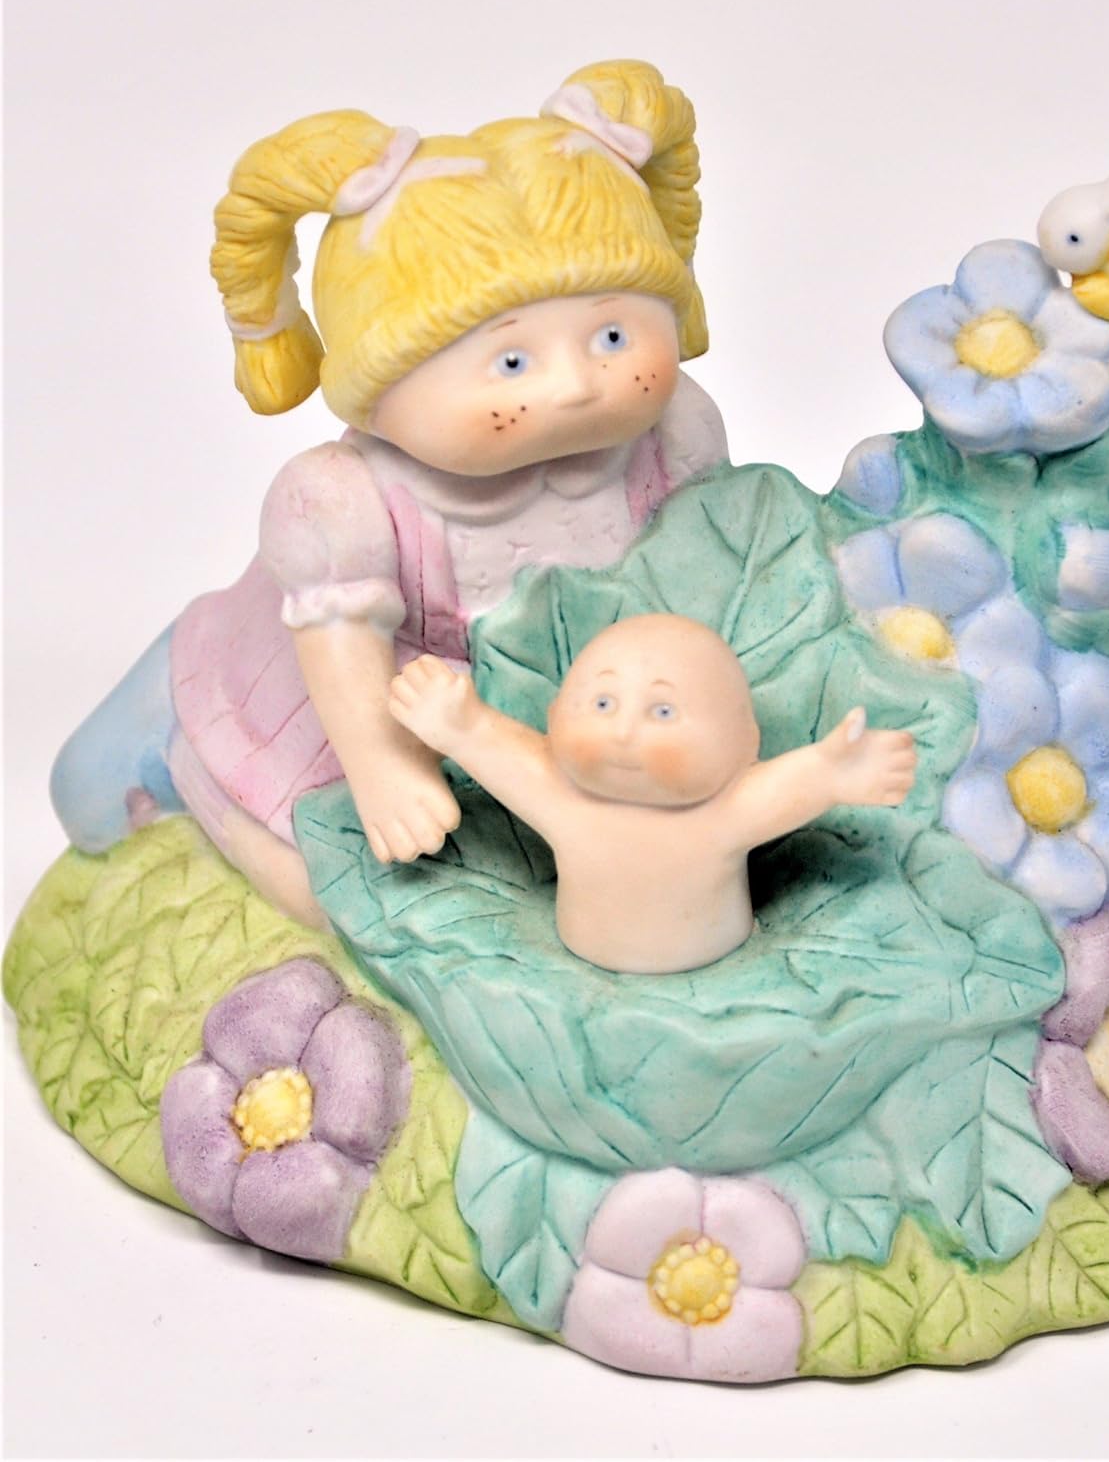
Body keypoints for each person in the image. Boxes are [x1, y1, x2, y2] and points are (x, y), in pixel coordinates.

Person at [50, 61, 728, 927]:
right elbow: (343, 650)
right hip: (379, 704)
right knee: (334, 897)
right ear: (378, 388)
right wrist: (382, 768)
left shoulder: (676, 432)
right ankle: (203, 782)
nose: (574, 386)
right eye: (512, 360)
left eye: (611, 336)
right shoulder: (343, 499)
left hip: (596, 709)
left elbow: (715, 566)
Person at [388, 616, 919, 973]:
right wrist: (456, 724)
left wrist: (836, 770)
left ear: (745, 743)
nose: (624, 733)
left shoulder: (725, 813)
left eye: (663, 712)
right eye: (602, 704)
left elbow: (798, 784)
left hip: (715, 953)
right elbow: (492, 748)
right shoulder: (560, 795)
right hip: (582, 951)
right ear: (554, 717)